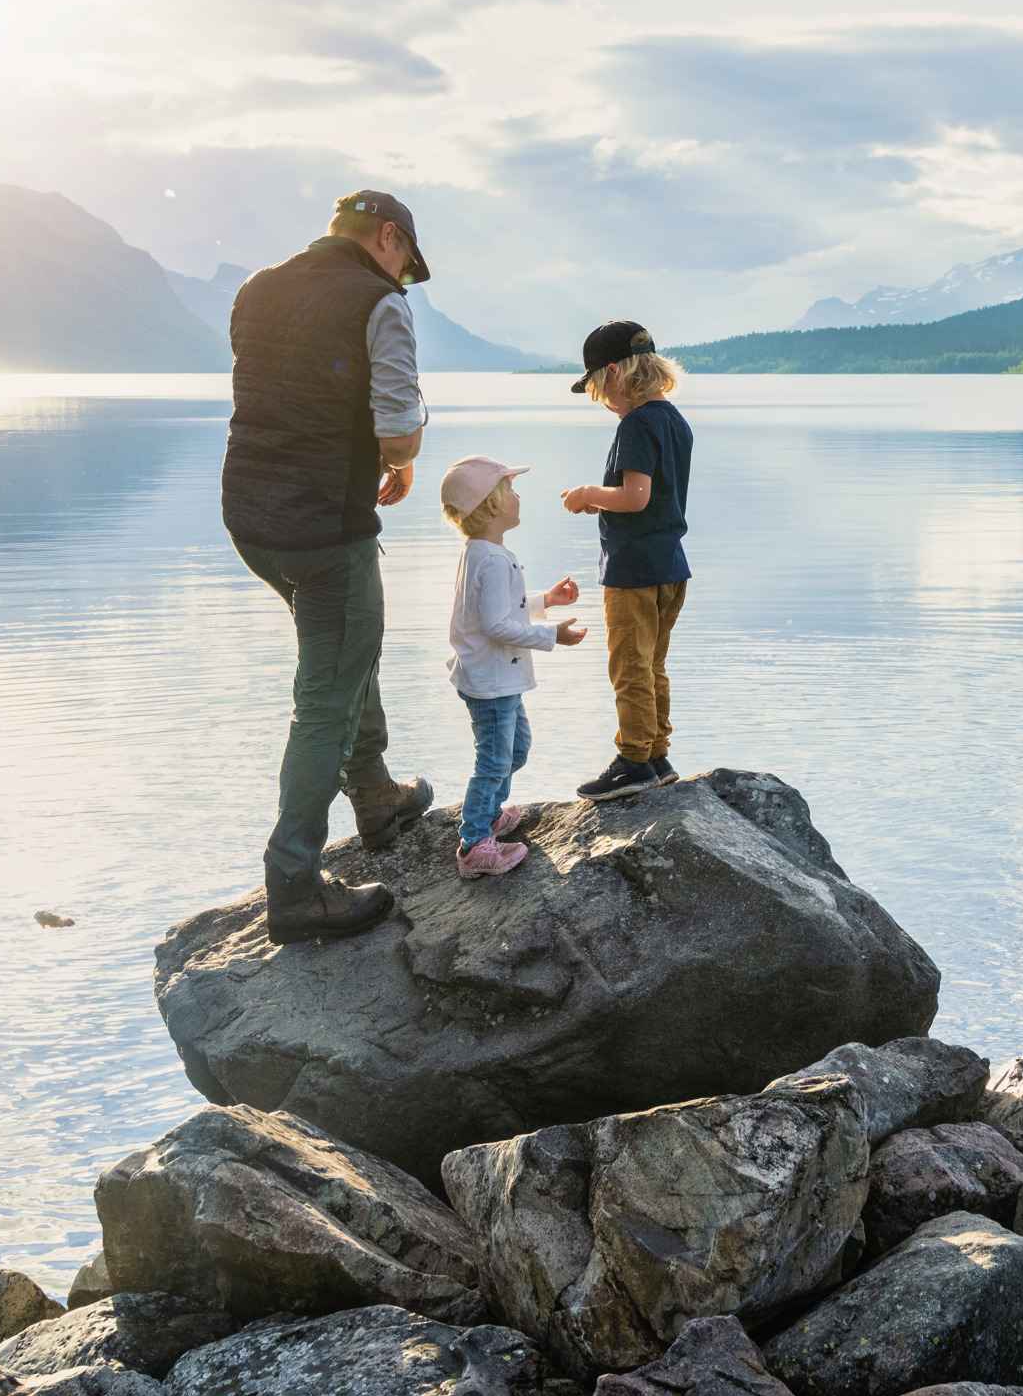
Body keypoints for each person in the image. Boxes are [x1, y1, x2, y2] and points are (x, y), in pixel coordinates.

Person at [222, 190, 438, 943]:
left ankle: (375, 793)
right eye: (407, 264)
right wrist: (404, 459)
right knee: (324, 697)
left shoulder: (258, 286)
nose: (405, 280)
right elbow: (399, 426)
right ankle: (295, 884)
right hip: (322, 523)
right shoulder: (379, 301)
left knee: (349, 642)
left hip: (252, 519)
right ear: (388, 238)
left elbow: (282, 391)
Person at [560, 321, 692, 801]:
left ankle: (634, 761)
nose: (602, 400)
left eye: (598, 388)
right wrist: (605, 500)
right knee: (653, 664)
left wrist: (587, 494)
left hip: (633, 569)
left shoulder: (635, 423)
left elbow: (634, 497)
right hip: (670, 564)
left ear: (614, 372)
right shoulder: (673, 419)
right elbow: (652, 498)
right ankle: (657, 754)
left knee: (629, 667)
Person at [440, 456, 586, 877]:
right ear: (491, 507)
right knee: (494, 760)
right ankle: (474, 846)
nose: (519, 496)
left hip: (492, 677)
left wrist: (545, 603)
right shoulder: (492, 559)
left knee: (515, 749)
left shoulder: (484, 552)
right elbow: (499, 625)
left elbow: (501, 610)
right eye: (512, 490)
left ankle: (486, 815)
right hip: (491, 682)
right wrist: (551, 635)